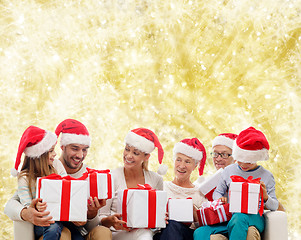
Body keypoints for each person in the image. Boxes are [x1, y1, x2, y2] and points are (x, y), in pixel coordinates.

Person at [4, 119, 112, 240]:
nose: (80, 155)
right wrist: (27, 212)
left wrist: (89, 214)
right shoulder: (31, 175)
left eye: (85, 149)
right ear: (62, 147)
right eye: (75, 148)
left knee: (91, 233)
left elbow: (88, 225)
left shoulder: (89, 176)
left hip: (72, 225)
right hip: (49, 224)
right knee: (61, 233)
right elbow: (11, 205)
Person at [194, 127, 279, 240]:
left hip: (254, 218)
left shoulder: (267, 176)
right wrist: (220, 199)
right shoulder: (229, 170)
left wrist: (265, 197)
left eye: (248, 161)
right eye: (240, 159)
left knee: (239, 217)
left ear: (257, 158)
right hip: (229, 217)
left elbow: (275, 206)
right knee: (200, 232)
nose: (243, 164)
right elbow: (217, 192)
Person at [98, 128, 164, 240]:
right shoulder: (111, 177)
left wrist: (160, 217)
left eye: (135, 153)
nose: (128, 156)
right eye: (127, 149)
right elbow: (101, 217)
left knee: (144, 233)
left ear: (146, 157)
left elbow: (158, 221)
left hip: (145, 233)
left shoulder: (156, 179)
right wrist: (111, 221)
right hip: (116, 233)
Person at [13, 125, 69, 240]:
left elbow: (67, 187)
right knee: (53, 227)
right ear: (39, 156)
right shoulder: (24, 178)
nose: (55, 154)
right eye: (51, 151)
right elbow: (28, 206)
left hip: (61, 216)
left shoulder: (56, 165)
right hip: (42, 221)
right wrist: (36, 206)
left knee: (78, 235)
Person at [153, 138, 207, 240]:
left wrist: (194, 211)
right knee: (170, 225)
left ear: (195, 166)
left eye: (187, 162)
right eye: (178, 160)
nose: (182, 166)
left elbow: (204, 228)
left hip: (186, 235)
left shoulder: (200, 193)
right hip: (162, 234)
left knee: (173, 225)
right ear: (173, 161)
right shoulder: (161, 187)